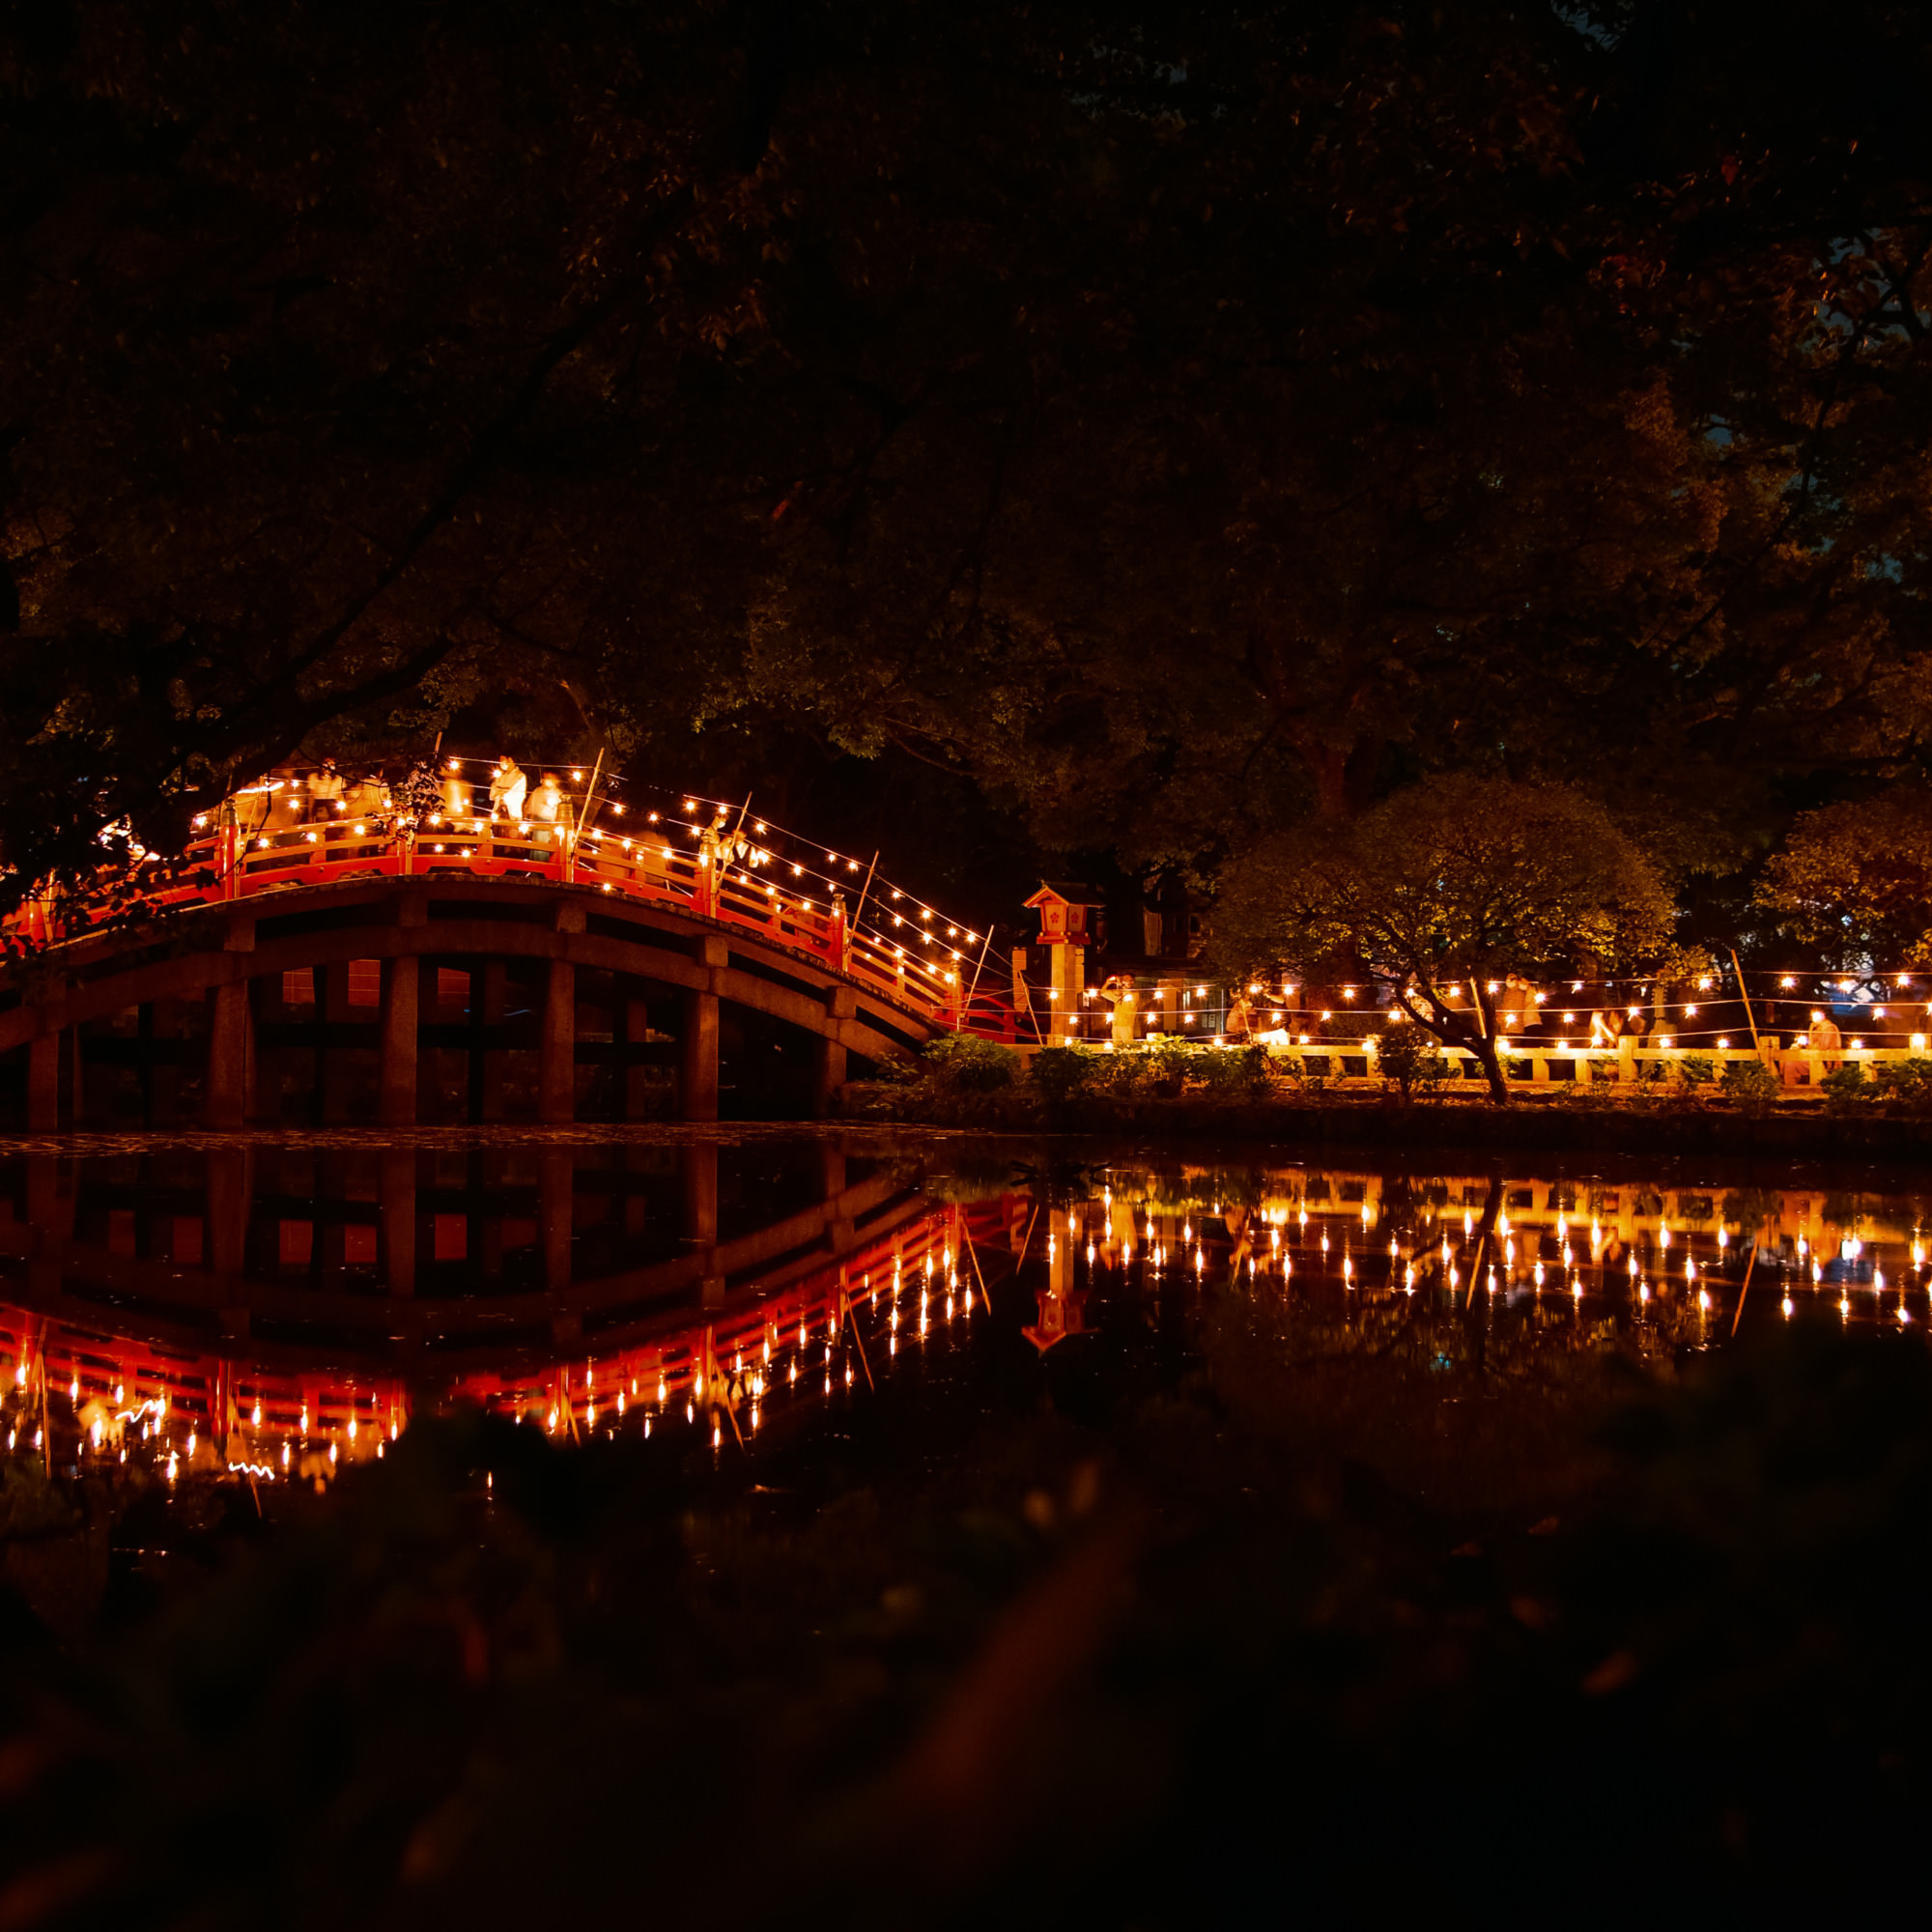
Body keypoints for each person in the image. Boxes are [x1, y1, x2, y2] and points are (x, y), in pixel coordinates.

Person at [528, 771, 571, 840]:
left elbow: (559, 812)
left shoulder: (558, 794)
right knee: (535, 842)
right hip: (536, 821)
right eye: (545, 777)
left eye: (549, 778)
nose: (546, 780)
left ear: (555, 780)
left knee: (543, 844)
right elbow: (531, 806)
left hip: (549, 822)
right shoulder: (537, 790)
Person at [1806, 1008, 1843, 1081]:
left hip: (1827, 1058)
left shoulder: (1829, 1027)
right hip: (1816, 1055)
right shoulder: (1814, 1027)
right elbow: (1811, 1042)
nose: (1813, 1019)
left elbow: (1824, 1046)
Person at [488, 756, 527, 824]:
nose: (501, 763)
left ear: (510, 760)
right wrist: (503, 792)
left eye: (503, 760)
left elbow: (518, 795)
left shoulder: (520, 776)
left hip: (512, 813)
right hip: (498, 811)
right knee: (495, 832)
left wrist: (502, 794)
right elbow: (492, 792)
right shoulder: (501, 776)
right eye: (500, 760)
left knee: (510, 832)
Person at [306, 757, 345, 823]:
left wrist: (342, 812)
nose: (328, 768)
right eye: (326, 765)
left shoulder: (339, 778)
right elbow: (311, 797)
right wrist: (310, 814)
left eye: (332, 765)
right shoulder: (313, 776)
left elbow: (340, 796)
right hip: (318, 805)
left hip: (333, 806)